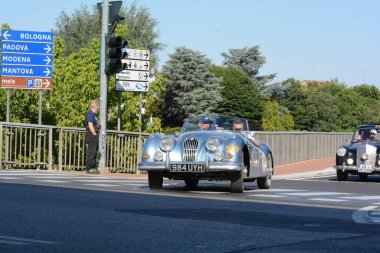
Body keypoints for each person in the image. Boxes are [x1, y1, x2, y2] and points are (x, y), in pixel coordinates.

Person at [84, 100, 100, 174]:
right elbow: (90, 125)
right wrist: (94, 134)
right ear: (95, 106)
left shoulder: (93, 114)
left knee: (94, 152)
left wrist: (97, 126)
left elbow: (93, 125)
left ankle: (92, 167)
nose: (99, 108)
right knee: (91, 152)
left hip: (93, 133)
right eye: (98, 106)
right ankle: (89, 168)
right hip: (91, 134)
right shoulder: (90, 113)